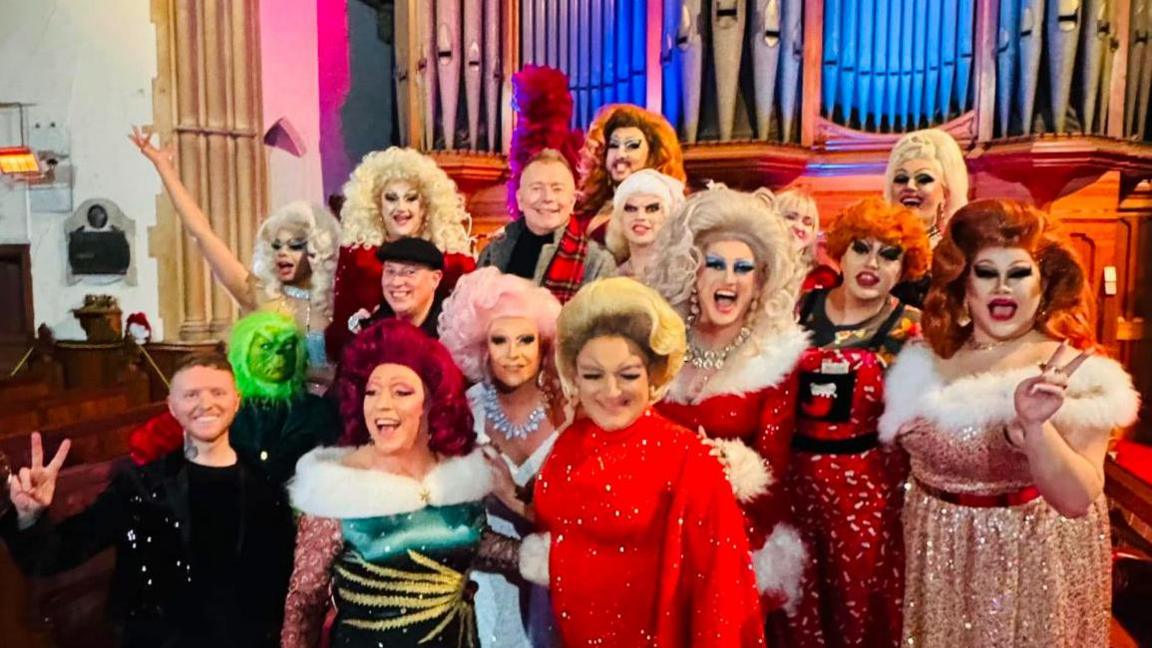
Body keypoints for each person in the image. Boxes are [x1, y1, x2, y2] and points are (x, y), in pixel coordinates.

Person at [878, 199, 1141, 647]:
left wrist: (1035, 432)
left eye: (1019, 273)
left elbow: (1077, 499)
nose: (1003, 287)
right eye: (987, 273)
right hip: (938, 552)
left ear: (1044, 287)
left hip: (1033, 561)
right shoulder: (924, 359)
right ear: (964, 285)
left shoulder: (1074, 369)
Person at [529, 277, 766, 647]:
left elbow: (723, 596)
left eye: (628, 375)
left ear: (653, 373)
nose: (610, 392)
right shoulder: (569, 445)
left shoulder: (688, 459)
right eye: (593, 375)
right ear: (574, 375)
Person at [2, 353, 297, 648]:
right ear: (172, 406)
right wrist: (30, 517)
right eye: (191, 394)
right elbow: (56, 555)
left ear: (236, 400)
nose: (205, 404)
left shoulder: (267, 486)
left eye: (217, 392)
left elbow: (285, 580)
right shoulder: (139, 485)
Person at [647, 185, 823, 645]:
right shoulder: (655, 347)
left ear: (759, 283)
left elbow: (774, 474)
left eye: (744, 268)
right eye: (716, 264)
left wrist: (720, 477)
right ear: (692, 273)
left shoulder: (775, 360)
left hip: (735, 547)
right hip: (652, 540)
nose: (730, 278)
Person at [281, 319, 525, 648]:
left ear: (430, 402)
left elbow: (479, 545)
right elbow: (303, 605)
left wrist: (548, 549)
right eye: (372, 392)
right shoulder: (336, 490)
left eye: (401, 392)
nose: (382, 404)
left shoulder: (457, 478)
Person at [788, 197, 930, 647]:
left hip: (869, 497)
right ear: (842, 251)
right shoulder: (796, 310)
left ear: (904, 267)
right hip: (793, 487)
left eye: (889, 254)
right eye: (861, 249)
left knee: (861, 614)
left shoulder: (914, 327)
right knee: (796, 607)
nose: (872, 263)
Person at [129, 127, 341, 383]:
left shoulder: (335, 302)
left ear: (316, 250)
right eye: (277, 246)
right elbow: (203, 234)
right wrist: (164, 167)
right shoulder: (262, 295)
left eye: (295, 246)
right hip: (275, 415)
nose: (283, 253)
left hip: (331, 416)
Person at [437, 267, 564, 647]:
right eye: (500, 340)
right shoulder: (463, 411)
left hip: (557, 580)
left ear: (543, 346)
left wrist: (512, 496)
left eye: (526, 340)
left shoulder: (569, 413)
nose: (514, 354)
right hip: (483, 580)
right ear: (480, 348)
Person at [127, 312, 340, 486]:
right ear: (244, 351)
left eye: (287, 348)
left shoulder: (316, 410)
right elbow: (151, 442)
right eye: (266, 346)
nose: (279, 357)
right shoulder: (222, 406)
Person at [478, 65, 616, 303]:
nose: (548, 198)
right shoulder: (493, 252)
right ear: (519, 199)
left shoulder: (597, 262)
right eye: (536, 188)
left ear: (573, 200)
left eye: (557, 188)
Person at [331, 146, 476, 356]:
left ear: (425, 206)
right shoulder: (356, 260)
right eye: (391, 198)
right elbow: (340, 335)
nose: (401, 208)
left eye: (411, 198)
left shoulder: (454, 263)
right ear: (376, 206)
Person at [576, 103, 686, 242]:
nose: (620, 154)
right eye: (614, 145)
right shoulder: (589, 207)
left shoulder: (664, 209)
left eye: (632, 146)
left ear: (652, 154)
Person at [883, 129, 969, 307]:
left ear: (945, 193)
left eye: (924, 179)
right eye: (901, 178)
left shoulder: (955, 256)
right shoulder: (871, 247)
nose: (910, 186)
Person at [348, 237, 446, 338]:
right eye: (390, 271)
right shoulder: (373, 328)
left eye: (410, 272)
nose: (396, 282)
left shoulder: (451, 333)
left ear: (435, 279)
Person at [603, 168, 685, 279]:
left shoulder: (682, 276)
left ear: (668, 215)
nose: (640, 217)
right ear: (619, 218)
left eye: (652, 209)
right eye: (631, 209)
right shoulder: (610, 276)